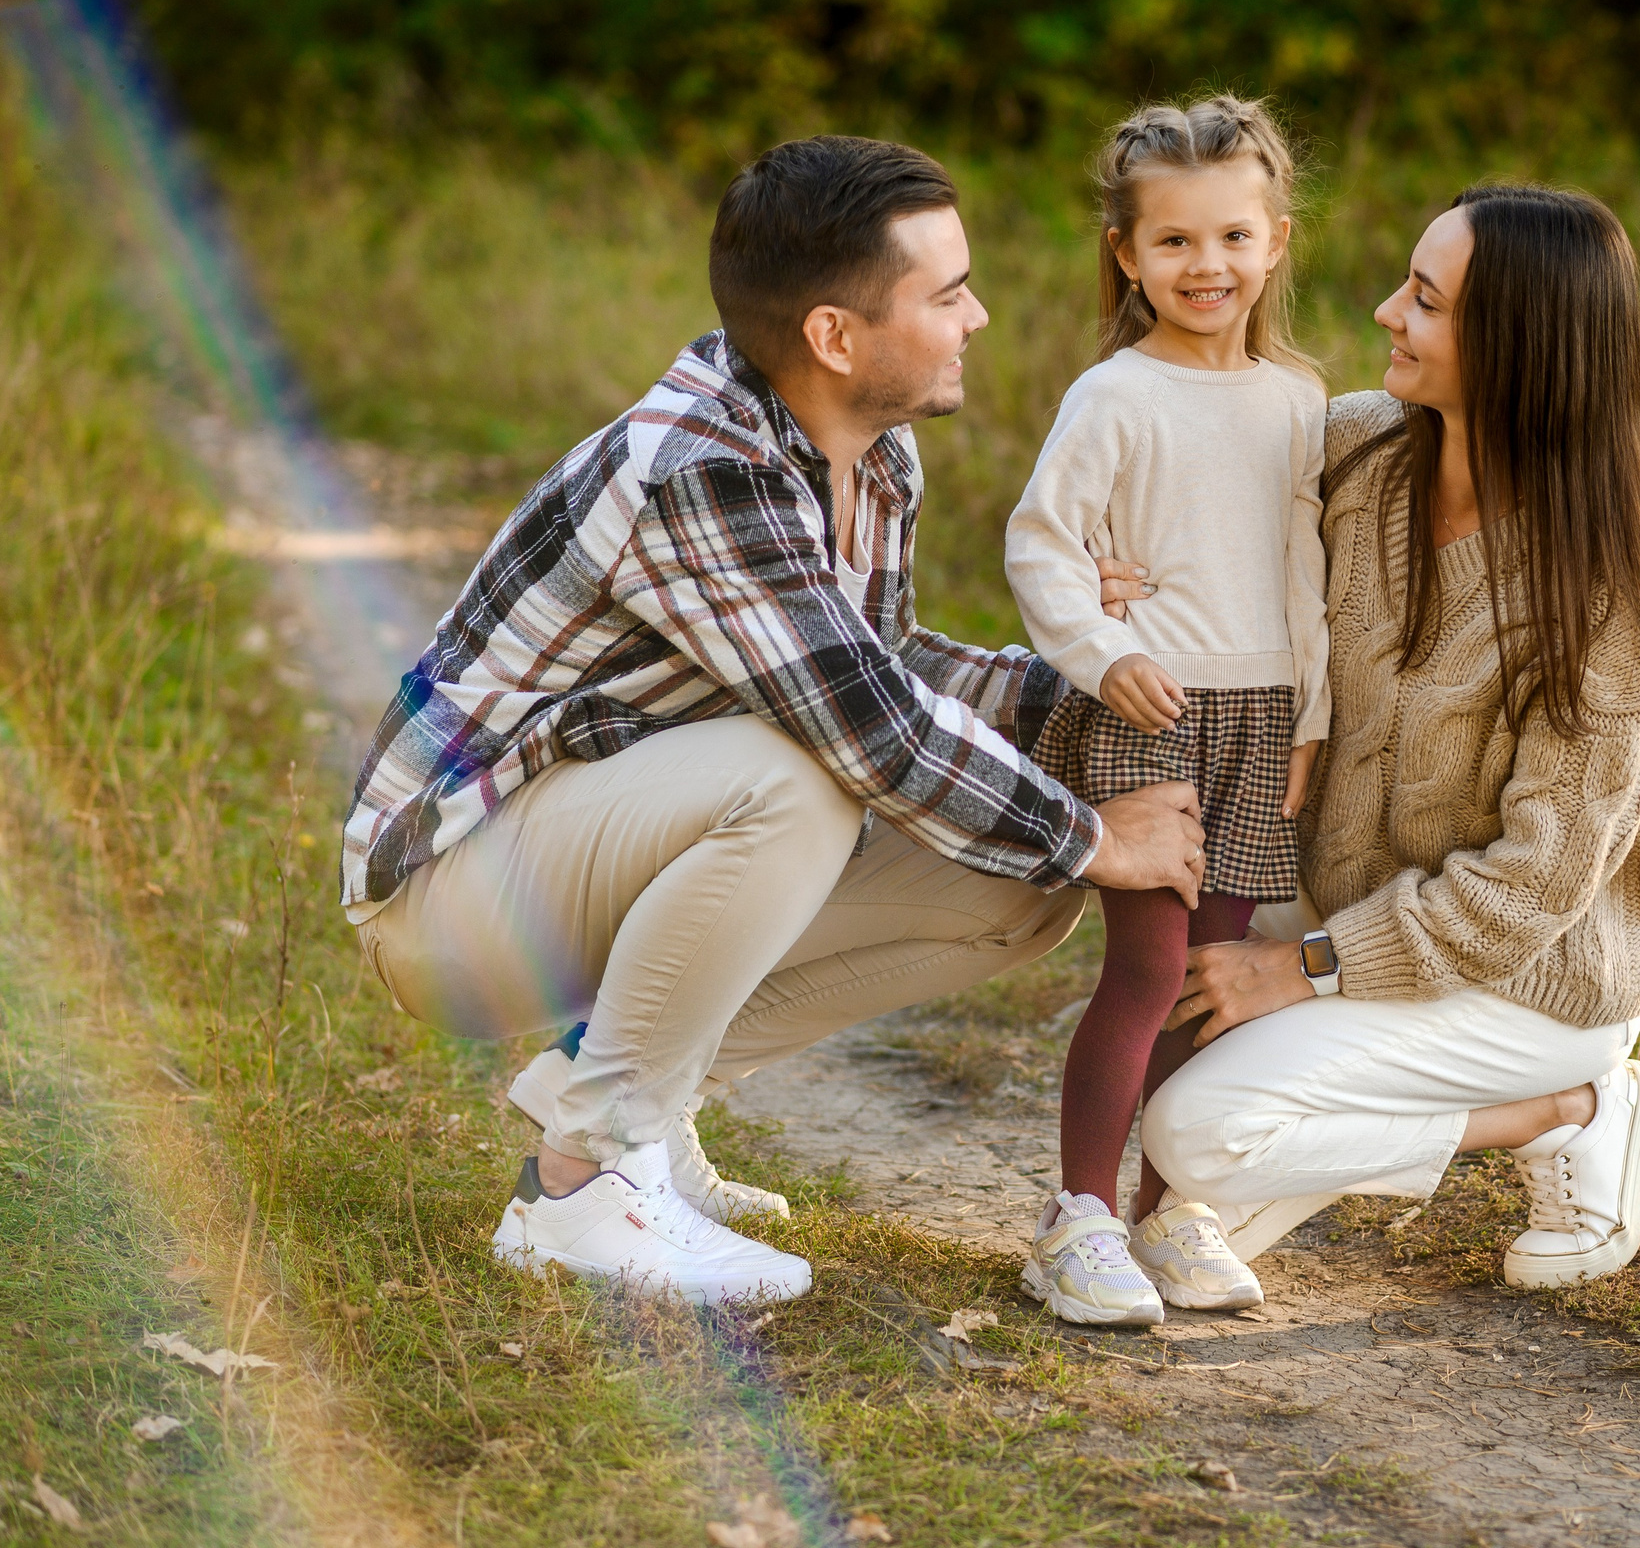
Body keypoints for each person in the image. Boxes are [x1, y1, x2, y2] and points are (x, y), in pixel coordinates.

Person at [340, 135, 1205, 1307]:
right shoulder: (703, 467)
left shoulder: (870, 452)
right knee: (798, 781)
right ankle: (581, 1183)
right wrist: (1098, 835)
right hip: (446, 896)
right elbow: (872, 728)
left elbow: (878, 660)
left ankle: (647, 1106)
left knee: (1019, 886)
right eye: (947, 295)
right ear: (835, 336)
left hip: (586, 850)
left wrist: (1100, 685)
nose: (979, 317)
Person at [1117, 183, 1640, 1288]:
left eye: (1426, 301)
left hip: (1525, 982)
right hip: (1345, 905)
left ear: (1517, 350)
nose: (1388, 310)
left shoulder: (1609, 604)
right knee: (1169, 1029)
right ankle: (1303, 1101)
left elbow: (1530, 892)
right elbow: (1180, 522)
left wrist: (1302, 970)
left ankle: (1571, 1109)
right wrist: (1118, 578)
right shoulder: (1351, 449)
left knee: (1193, 1132)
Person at [1003, 96, 1329, 1325]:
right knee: (1145, 969)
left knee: (1211, 974)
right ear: (1127, 253)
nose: (1208, 264)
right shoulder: (1114, 394)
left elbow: (1312, 574)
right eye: (1175, 240)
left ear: (1275, 242)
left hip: (1263, 716)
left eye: (1233, 236)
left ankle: (1169, 1208)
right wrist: (1102, 651)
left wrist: (1312, 718)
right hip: (1154, 712)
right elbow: (1042, 541)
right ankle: (1079, 1216)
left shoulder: (1298, 400)